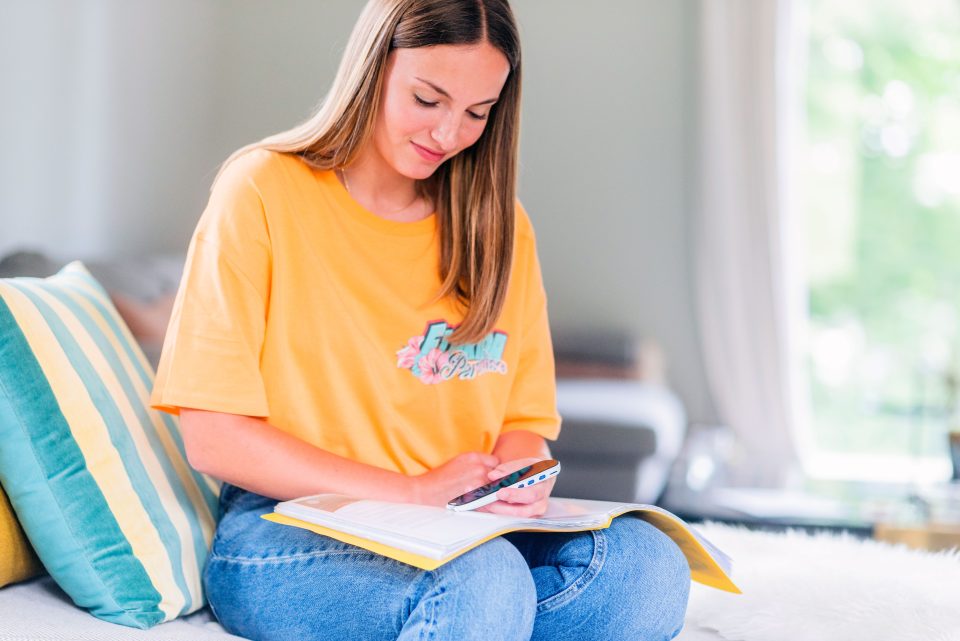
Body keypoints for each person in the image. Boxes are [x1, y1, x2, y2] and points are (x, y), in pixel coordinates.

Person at [150, 0, 690, 639]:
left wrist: (520, 479)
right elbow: (213, 436)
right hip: (291, 526)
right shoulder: (261, 190)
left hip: (460, 526)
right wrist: (409, 493)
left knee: (648, 567)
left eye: (476, 113)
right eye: (427, 99)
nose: (448, 132)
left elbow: (523, 427)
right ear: (374, 68)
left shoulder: (501, 230)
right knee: (483, 581)